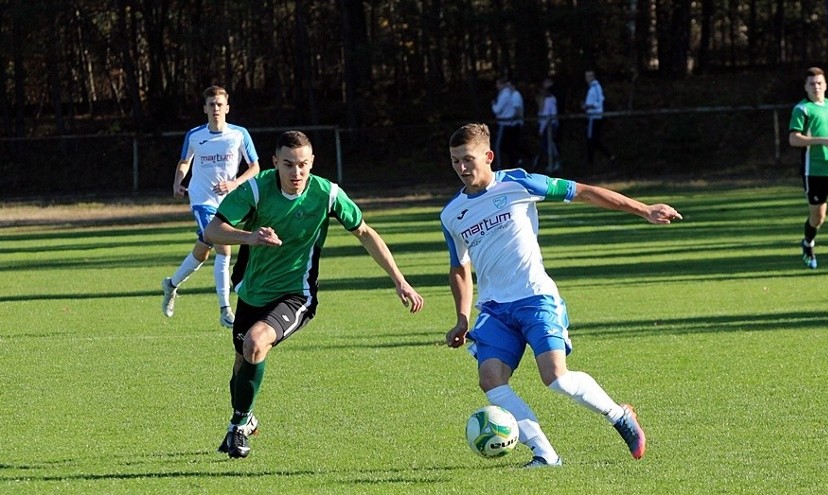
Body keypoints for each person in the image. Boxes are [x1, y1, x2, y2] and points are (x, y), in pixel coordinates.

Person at [441, 123, 681, 467]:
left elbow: (583, 192)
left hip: (535, 298)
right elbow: (459, 267)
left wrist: (643, 209)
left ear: (488, 156)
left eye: (468, 159)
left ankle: (619, 415)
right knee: (490, 380)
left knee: (556, 378)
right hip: (495, 309)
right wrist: (462, 318)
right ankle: (545, 454)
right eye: (454, 162)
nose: (461, 168)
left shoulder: (518, 183)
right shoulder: (452, 215)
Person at [203, 130, 424, 459]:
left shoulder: (327, 194)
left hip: (297, 294)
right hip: (253, 291)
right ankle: (245, 418)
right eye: (289, 165)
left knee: (255, 343)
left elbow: (364, 232)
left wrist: (399, 279)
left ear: (312, 163)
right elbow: (212, 230)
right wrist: (250, 236)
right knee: (242, 361)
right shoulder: (254, 189)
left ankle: (236, 427)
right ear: (275, 162)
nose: (296, 173)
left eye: (303, 165)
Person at [161, 85, 261, 328]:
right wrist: (177, 183)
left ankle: (171, 284)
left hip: (229, 203)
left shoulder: (239, 134)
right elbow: (184, 162)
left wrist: (234, 183)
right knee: (224, 248)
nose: (216, 108)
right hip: (202, 200)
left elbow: (255, 167)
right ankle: (225, 310)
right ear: (204, 108)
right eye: (211, 104)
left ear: (227, 107)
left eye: (219, 104)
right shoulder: (195, 135)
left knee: (203, 252)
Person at [788, 66, 828, 271]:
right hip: (814, 171)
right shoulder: (802, 109)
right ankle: (808, 243)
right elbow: (793, 139)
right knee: (818, 217)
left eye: (819, 83)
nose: (816, 86)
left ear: (825, 85)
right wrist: (820, 141)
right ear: (805, 87)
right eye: (811, 84)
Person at [581, 70, 614, 165]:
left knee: (592, 139)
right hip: (591, 117)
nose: (587, 78)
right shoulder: (591, 88)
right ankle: (605, 157)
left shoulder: (596, 87)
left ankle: (592, 161)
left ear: (593, 77)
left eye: (589, 76)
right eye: (586, 76)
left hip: (594, 117)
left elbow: (599, 102)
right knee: (593, 139)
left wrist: (588, 106)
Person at [491, 76, 525, 169]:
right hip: (507, 123)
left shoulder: (506, 95)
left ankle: (500, 166)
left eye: (498, 84)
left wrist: (493, 105)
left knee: (499, 146)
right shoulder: (509, 94)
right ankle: (511, 164)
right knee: (509, 146)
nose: (497, 86)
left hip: (504, 123)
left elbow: (497, 110)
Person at [535, 78, 560, 173]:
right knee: (549, 145)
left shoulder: (549, 99)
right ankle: (553, 162)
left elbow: (548, 115)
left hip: (549, 125)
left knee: (549, 144)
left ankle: (555, 162)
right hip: (548, 125)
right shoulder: (545, 100)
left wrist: (542, 129)